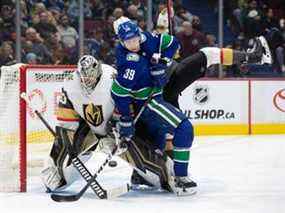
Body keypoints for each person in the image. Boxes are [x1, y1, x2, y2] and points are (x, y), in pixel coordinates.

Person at [111, 17, 272, 194]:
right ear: (120, 40)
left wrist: (163, 60)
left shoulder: (147, 38)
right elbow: (122, 91)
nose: (135, 42)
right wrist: (125, 118)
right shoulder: (129, 62)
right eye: (129, 40)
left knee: (169, 131)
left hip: (160, 88)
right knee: (166, 132)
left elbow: (172, 43)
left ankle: (153, 173)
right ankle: (156, 174)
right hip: (160, 92)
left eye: (136, 38)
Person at [41, 55, 175, 193]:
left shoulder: (112, 79)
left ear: (98, 72)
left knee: (139, 155)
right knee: (63, 148)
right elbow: (66, 124)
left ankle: (169, 177)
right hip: (87, 128)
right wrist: (66, 146)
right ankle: (55, 174)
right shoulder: (70, 84)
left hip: (114, 128)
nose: (87, 81)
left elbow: (124, 109)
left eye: (90, 77)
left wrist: (117, 134)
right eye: (84, 78)